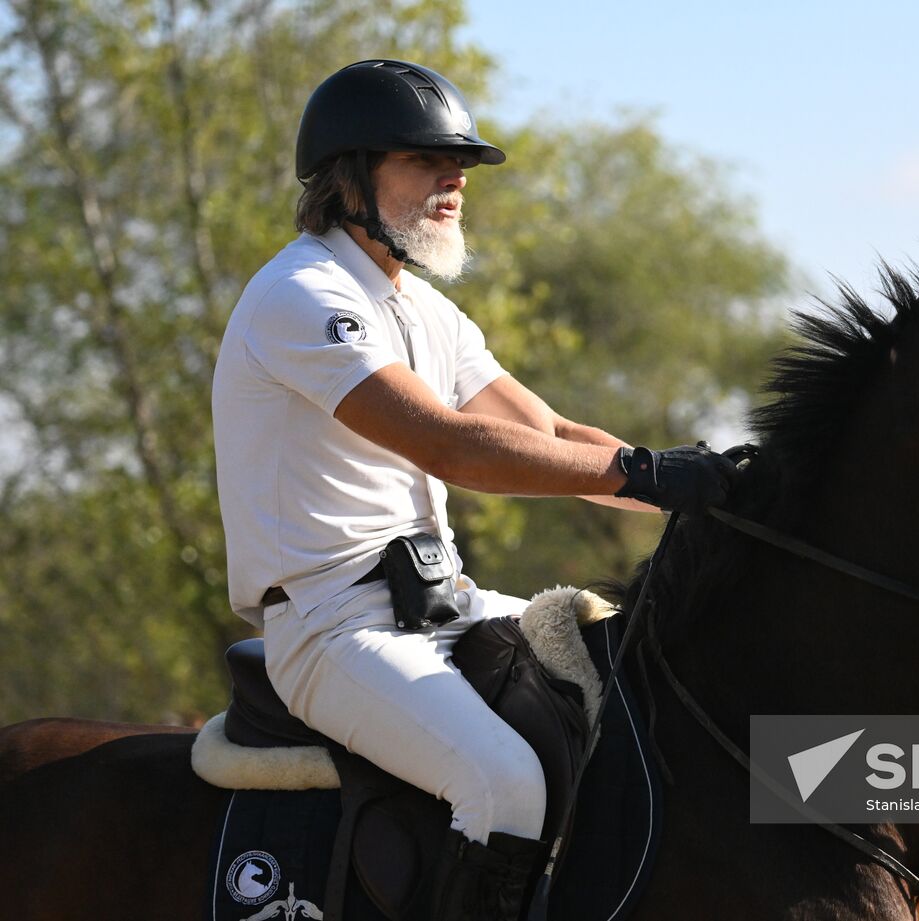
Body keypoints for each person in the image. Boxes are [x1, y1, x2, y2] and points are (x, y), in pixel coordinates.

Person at [211, 58, 736, 921]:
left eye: (460, 163)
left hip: (443, 603)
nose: (455, 179)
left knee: (632, 681)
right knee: (505, 785)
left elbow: (555, 438)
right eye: (425, 160)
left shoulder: (426, 310)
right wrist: (647, 473)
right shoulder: (301, 293)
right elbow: (450, 445)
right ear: (350, 179)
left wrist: (704, 485)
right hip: (332, 629)